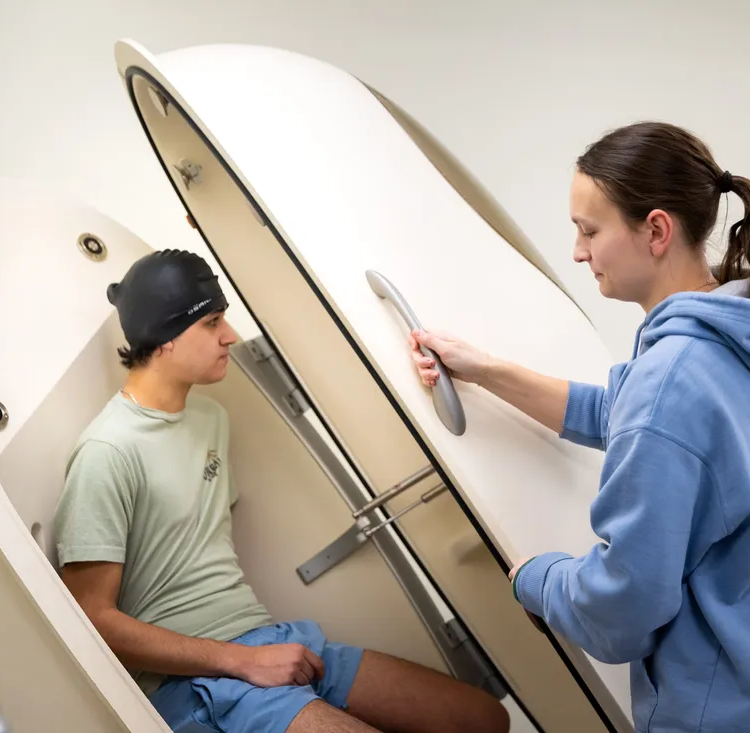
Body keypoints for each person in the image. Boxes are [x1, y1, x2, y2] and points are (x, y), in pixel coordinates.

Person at [408, 122, 750, 732]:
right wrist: (484, 369)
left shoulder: (672, 379)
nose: (577, 251)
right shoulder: (748, 341)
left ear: (655, 229)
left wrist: (533, 578)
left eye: (589, 230)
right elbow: (618, 413)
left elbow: (623, 609)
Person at [53, 249, 509, 733]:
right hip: (197, 683)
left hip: (267, 638)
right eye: (211, 323)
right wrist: (240, 662)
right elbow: (91, 617)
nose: (229, 335)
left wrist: (261, 654)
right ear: (164, 338)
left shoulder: (210, 419)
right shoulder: (108, 450)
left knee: (482, 718)